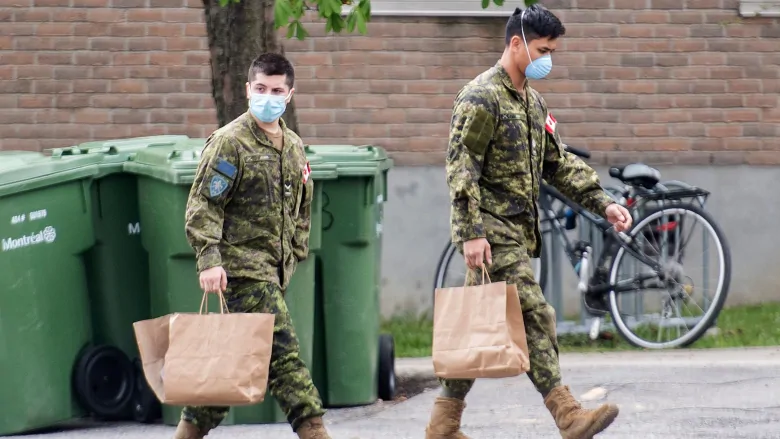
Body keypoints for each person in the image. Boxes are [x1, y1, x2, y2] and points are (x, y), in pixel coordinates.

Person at [425, 5, 633, 439]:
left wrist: (603, 203)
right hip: (492, 229)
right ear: (516, 43)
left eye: (553, 50)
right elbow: (461, 167)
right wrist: (471, 232)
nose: (548, 59)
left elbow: (557, 164)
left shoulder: (532, 102)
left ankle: (444, 424)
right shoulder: (481, 97)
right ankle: (568, 414)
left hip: (517, 232)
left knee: (474, 326)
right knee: (536, 314)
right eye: (543, 49)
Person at [175, 52, 331, 439]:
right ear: (248, 90)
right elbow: (203, 206)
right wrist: (209, 260)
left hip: (272, 275)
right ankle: (315, 430)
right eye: (261, 88)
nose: (268, 96)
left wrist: (293, 255)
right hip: (241, 274)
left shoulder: (293, 147)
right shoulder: (229, 143)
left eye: (277, 90)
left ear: (289, 94)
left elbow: (302, 209)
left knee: (225, 369)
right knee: (284, 358)